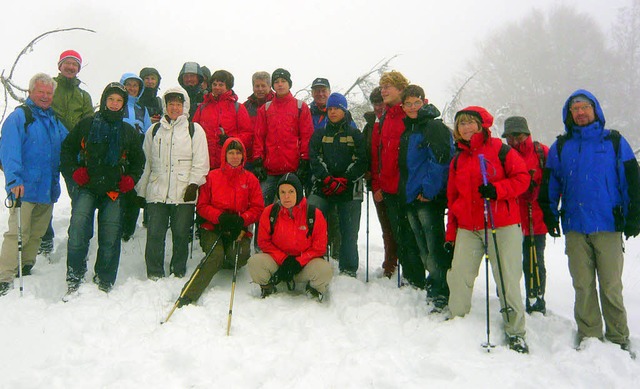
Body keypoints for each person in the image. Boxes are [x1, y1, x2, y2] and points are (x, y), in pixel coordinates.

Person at [540, 90, 640, 353]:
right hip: (575, 226)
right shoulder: (561, 147)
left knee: (610, 286)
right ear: (569, 114)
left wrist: (635, 215)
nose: (581, 113)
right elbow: (551, 183)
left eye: (585, 107)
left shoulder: (615, 142)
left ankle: (619, 337)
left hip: (607, 225)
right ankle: (589, 335)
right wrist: (549, 212)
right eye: (575, 109)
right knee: (582, 285)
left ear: (595, 110)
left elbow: (632, 181)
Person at [445, 106, 530, 353]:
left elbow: (522, 179)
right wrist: (451, 234)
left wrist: (497, 190)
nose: (467, 127)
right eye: (462, 123)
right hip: (469, 227)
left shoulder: (501, 150)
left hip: (501, 224)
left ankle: (516, 331)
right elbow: (453, 200)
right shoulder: (458, 159)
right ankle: (456, 321)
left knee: (507, 280)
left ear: (482, 125)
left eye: (471, 122)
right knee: (459, 275)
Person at [60, 82, 145, 294]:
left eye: (119, 101)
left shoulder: (127, 131)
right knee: (78, 230)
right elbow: (67, 151)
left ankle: (105, 278)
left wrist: (131, 179)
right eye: (111, 99)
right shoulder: (87, 124)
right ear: (104, 101)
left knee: (110, 235)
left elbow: (138, 161)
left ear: (124, 104)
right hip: (87, 187)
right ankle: (75, 274)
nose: (115, 104)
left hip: (113, 190)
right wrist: (75, 172)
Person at [0, 73, 68, 296]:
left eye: (49, 93)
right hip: (24, 188)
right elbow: (9, 151)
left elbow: (70, 143)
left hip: (47, 189)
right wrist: (14, 180)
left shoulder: (54, 120)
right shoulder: (20, 117)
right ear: (30, 92)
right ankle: (4, 275)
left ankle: (26, 265)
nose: (45, 96)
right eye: (41, 92)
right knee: (18, 233)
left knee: (37, 233)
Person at [176, 138, 263, 306]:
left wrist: (243, 219)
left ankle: (226, 257)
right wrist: (219, 217)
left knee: (238, 256)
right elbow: (202, 206)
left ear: (243, 156)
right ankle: (189, 294)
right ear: (224, 154)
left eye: (238, 153)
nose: (235, 156)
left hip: (238, 228)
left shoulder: (250, 179)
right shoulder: (212, 177)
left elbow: (258, 208)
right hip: (213, 227)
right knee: (214, 256)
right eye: (231, 152)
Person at [135, 86, 209, 279]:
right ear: (165, 106)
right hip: (157, 189)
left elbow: (201, 162)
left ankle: (178, 270)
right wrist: (142, 192)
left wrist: (194, 184)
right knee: (155, 234)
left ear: (184, 106)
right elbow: (147, 163)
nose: (174, 108)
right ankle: (154, 272)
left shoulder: (194, 130)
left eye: (178, 104)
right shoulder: (154, 130)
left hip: (184, 190)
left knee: (181, 234)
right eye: (171, 104)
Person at [399, 85, 454, 310]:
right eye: (408, 104)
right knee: (423, 247)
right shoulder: (410, 129)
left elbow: (441, 159)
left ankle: (441, 291)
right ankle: (434, 286)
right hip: (412, 196)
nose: (412, 107)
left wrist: (428, 191)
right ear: (402, 107)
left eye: (416, 103)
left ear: (424, 102)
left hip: (427, 198)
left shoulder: (432, 126)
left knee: (434, 247)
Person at [373, 71, 425, 288]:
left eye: (388, 86)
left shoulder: (411, 115)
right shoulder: (386, 117)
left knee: (415, 236)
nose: (383, 90)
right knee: (400, 236)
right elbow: (381, 153)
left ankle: (419, 279)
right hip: (390, 188)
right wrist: (379, 184)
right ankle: (411, 278)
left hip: (410, 187)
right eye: (382, 86)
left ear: (401, 89)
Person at [39, 50, 93, 258]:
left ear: (79, 68)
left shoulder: (83, 95)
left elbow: (88, 122)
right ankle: (44, 237)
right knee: (45, 195)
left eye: (74, 64)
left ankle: (78, 237)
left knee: (79, 195)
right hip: (48, 149)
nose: (70, 67)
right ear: (59, 66)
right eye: (67, 63)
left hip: (74, 153)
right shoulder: (49, 87)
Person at [308, 93, 366, 277]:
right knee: (312, 214)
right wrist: (326, 179)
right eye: (330, 109)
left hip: (349, 188)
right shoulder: (320, 133)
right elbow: (314, 158)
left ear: (344, 110)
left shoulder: (354, 134)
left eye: (337, 109)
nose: (333, 112)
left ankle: (348, 268)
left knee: (349, 229)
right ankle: (314, 259)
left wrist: (346, 179)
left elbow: (362, 160)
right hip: (324, 186)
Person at [247, 173, 331, 301]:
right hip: (279, 264)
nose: (286, 196)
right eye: (283, 192)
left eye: (291, 191)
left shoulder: (314, 214)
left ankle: (313, 289)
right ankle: (268, 287)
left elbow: (319, 247)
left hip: (304, 264)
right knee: (255, 262)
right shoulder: (270, 212)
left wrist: (298, 262)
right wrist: (284, 259)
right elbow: (263, 242)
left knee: (324, 270)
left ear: (298, 192)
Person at [502, 116, 549, 314]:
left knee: (534, 259)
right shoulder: (502, 154)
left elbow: (552, 182)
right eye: (509, 137)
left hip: (535, 216)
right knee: (508, 261)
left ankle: (536, 298)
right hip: (510, 216)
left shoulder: (541, 152)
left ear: (527, 133)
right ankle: (507, 297)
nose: (513, 141)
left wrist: (537, 192)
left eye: (517, 136)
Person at [252, 68, 313, 209]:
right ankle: (262, 231)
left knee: (292, 208)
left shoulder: (300, 107)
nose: (280, 84)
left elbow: (306, 135)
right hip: (270, 170)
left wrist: (304, 160)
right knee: (261, 206)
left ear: (289, 84)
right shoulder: (266, 109)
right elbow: (259, 136)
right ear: (273, 86)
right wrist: (258, 161)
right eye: (277, 82)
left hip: (292, 169)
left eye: (283, 81)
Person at [364, 87, 398, 278]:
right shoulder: (370, 126)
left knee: (396, 227)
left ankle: (395, 262)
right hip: (376, 184)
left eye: (381, 103)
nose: (378, 107)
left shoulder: (394, 123)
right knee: (386, 226)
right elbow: (369, 156)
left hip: (394, 185)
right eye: (375, 103)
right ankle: (390, 263)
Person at [193, 69, 252, 170]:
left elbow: (247, 134)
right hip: (205, 161)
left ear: (228, 87)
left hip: (229, 162)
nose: (217, 87)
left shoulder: (238, 108)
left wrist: (231, 140)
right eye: (214, 84)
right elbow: (193, 131)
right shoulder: (202, 108)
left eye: (221, 85)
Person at [119, 72, 152, 241]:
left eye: (135, 85)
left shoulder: (142, 109)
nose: (132, 88)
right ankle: (114, 225)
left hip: (135, 154)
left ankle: (128, 229)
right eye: (128, 84)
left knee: (132, 189)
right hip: (117, 153)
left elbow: (148, 132)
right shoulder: (118, 103)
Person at [243, 71, 275, 169]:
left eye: (263, 86)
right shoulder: (245, 107)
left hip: (271, 155)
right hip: (249, 157)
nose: (260, 89)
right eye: (257, 86)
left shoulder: (276, 104)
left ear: (269, 87)